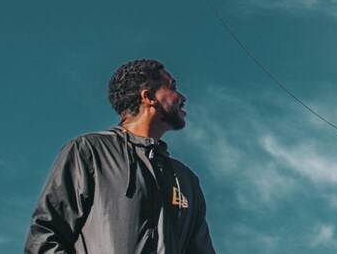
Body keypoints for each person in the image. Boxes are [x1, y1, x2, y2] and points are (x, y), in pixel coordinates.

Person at [25, 58, 216, 253]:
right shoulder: (89, 151)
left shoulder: (186, 180)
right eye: (172, 86)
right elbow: (45, 237)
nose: (182, 97)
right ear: (149, 97)